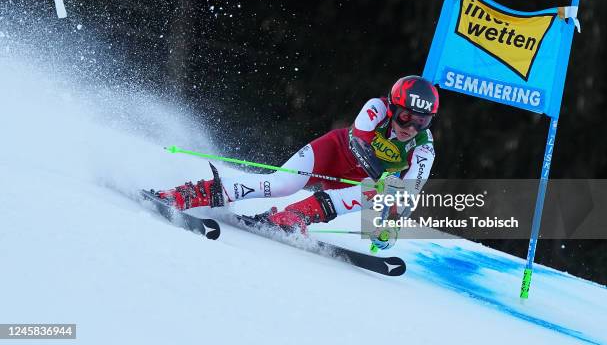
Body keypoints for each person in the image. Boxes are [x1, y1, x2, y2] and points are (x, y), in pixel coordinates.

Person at [156, 75, 438, 250]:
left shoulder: (423, 149)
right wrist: (388, 187)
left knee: (379, 193)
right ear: (392, 107)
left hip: (356, 182)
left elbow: (408, 196)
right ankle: (194, 193)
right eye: (405, 117)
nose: (410, 127)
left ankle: (294, 216)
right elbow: (359, 144)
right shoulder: (376, 108)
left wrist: (390, 224)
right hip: (334, 152)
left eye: (421, 121)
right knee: (281, 183)